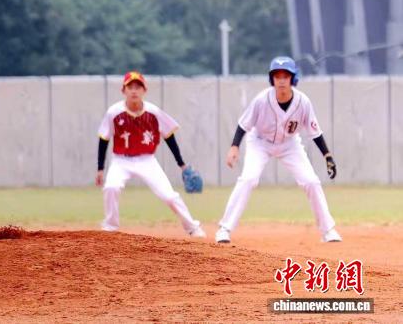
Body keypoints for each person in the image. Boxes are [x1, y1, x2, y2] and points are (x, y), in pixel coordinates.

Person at [215, 56, 341, 244]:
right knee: (248, 179)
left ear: (293, 78)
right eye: (277, 76)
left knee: (311, 181)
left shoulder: (303, 102)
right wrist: (234, 147)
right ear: (272, 79)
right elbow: (243, 124)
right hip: (260, 142)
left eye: (285, 76)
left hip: (290, 144)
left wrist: (327, 156)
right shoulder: (261, 100)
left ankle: (328, 231)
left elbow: (315, 132)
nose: (281, 80)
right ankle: (224, 229)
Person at [96, 71, 206, 237]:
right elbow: (104, 139)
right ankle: (110, 227)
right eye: (130, 87)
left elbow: (169, 137)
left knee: (169, 196)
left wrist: (181, 164)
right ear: (123, 90)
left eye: (138, 87)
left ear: (144, 91)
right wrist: (100, 169)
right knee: (111, 187)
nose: (134, 91)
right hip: (121, 160)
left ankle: (192, 227)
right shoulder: (114, 112)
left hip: (146, 160)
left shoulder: (153, 112)